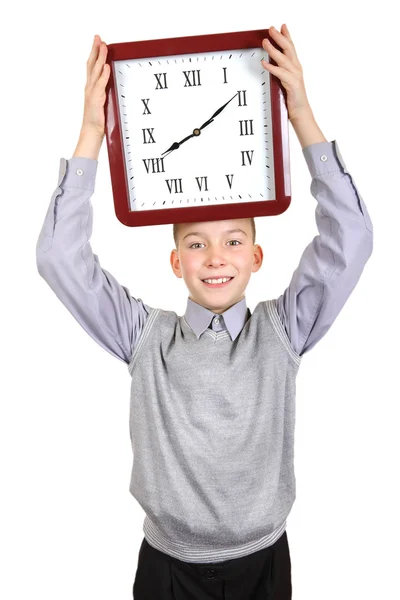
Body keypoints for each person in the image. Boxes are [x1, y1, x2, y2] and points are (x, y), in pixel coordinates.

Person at [36, 24, 373, 600]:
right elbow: (58, 257)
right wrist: (92, 133)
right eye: (196, 244)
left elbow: (352, 239)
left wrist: (301, 117)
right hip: (168, 567)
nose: (216, 257)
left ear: (257, 256)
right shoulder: (145, 337)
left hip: (263, 561)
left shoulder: (283, 329)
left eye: (233, 241)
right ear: (175, 262)